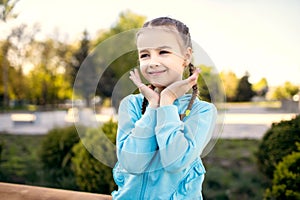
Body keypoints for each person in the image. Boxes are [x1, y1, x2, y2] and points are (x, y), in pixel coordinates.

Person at [112, 16, 217, 200]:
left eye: (163, 52)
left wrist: (167, 102)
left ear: (186, 57)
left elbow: (175, 161)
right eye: (145, 55)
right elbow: (132, 163)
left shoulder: (203, 112)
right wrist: (153, 106)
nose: (153, 62)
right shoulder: (131, 105)